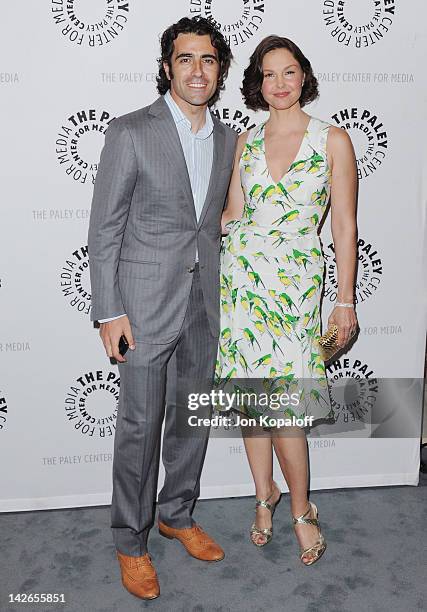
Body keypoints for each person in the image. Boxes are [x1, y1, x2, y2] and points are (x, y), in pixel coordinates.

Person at [88, 16, 237, 600]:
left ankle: (177, 512)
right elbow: (105, 230)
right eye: (185, 59)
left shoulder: (227, 138)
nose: (196, 70)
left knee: (191, 417)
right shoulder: (130, 131)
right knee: (140, 429)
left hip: (205, 302)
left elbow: (212, 219)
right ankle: (131, 540)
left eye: (207, 60)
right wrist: (109, 311)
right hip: (144, 308)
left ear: (219, 70)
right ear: (167, 66)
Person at [216, 35, 358, 565]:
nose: (279, 83)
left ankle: (299, 510)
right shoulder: (243, 143)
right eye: (269, 74)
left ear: (304, 77)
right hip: (243, 281)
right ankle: (263, 496)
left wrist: (344, 300)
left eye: (289, 72)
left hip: (297, 282)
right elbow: (232, 214)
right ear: (257, 82)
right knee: (255, 402)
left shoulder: (332, 140)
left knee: (287, 408)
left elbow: (344, 224)